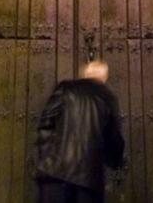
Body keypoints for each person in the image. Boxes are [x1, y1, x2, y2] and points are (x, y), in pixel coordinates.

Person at [32, 59, 125, 202]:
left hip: (54, 174)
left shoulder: (66, 88)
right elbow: (113, 138)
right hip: (88, 179)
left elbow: (45, 123)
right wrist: (115, 162)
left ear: (86, 73)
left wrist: (46, 158)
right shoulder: (107, 97)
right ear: (104, 77)